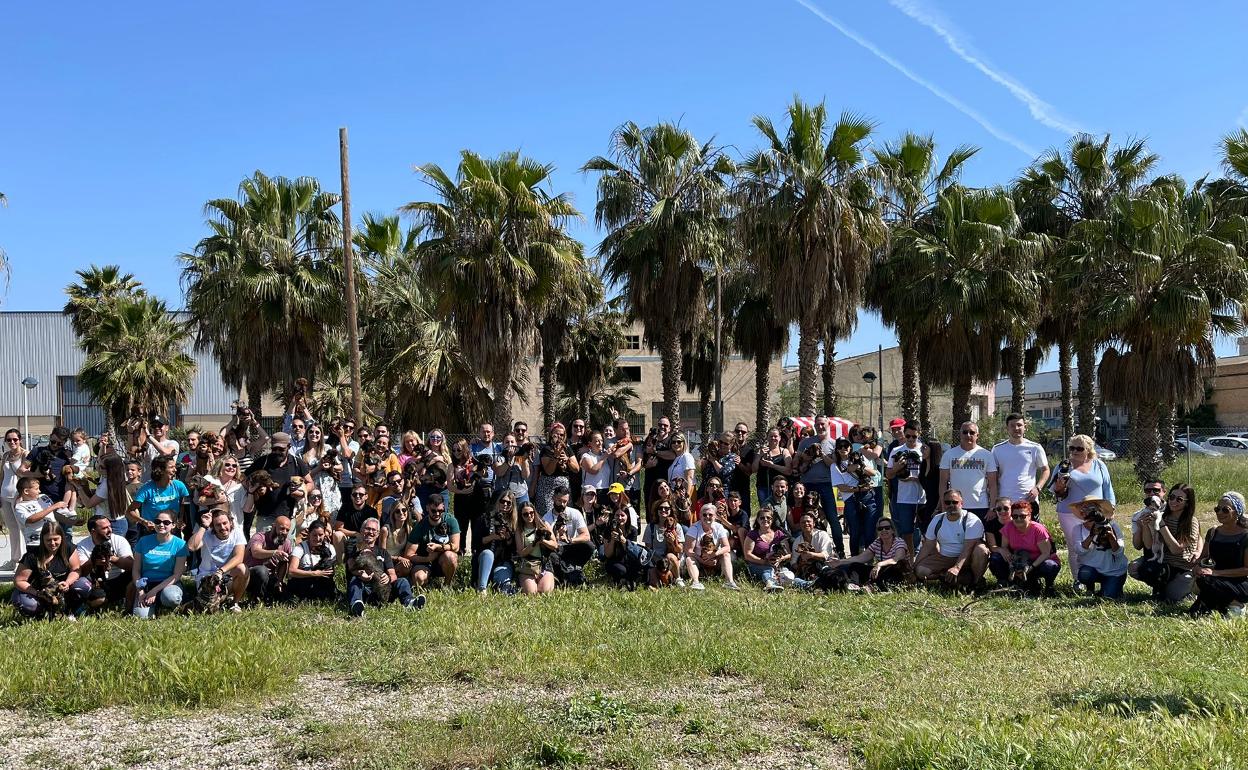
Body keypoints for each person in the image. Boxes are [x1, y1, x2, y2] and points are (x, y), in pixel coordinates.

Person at [1052, 434, 1116, 582]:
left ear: (1088, 450)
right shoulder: (1063, 465)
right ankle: (1078, 580)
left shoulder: (1099, 465)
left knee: (1099, 544)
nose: (1074, 451)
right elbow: (1056, 493)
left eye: (1079, 448)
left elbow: (1108, 488)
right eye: (1072, 448)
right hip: (1069, 513)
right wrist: (1059, 486)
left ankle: (1100, 578)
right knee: (1076, 547)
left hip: (1097, 513)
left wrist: (1111, 508)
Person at [1128, 484, 1200, 603]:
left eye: (1179, 499)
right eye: (1171, 497)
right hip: (1162, 562)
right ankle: (1161, 586)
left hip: (1181, 565)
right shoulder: (1162, 515)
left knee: (1172, 597)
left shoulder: (1190, 521)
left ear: (1187, 503)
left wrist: (1161, 524)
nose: (1173, 501)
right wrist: (1146, 526)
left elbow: (1176, 549)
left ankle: (1187, 588)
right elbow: (1148, 545)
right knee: (1135, 568)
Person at [11, 520, 89, 619]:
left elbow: (76, 570)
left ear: (62, 538)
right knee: (28, 604)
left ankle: (71, 610)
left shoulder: (69, 549)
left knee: (84, 584)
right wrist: (38, 593)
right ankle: (40, 614)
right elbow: (19, 581)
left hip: (61, 590)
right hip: (37, 591)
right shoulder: (32, 555)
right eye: (48, 540)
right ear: (42, 539)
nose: (52, 543)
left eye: (56, 539)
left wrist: (68, 582)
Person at [347, 517, 423, 617]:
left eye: (374, 530)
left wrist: (388, 578)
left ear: (378, 534)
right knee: (354, 581)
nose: (370, 532)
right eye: (367, 528)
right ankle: (356, 606)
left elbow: (393, 574)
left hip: (381, 590)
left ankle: (409, 602)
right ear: (361, 531)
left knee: (402, 581)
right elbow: (350, 567)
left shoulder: (383, 552)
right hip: (364, 589)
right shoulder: (353, 548)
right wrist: (360, 574)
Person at [913, 490, 989, 588]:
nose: (951, 505)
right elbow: (928, 546)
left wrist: (957, 568)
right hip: (944, 557)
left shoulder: (971, 520)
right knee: (921, 571)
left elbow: (968, 548)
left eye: (955, 502)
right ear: (943, 504)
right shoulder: (937, 519)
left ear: (962, 503)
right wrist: (914, 567)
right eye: (947, 502)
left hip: (967, 558)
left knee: (981, 550)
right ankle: (946, 577)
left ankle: (976, 582)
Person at [1188, 492, 1248, 617]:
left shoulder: (1245, 536)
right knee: (1196, 610)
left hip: (1239, 583)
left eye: (1225, 510)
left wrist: (1215, 573)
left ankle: (1236, 604)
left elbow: (1246, 570)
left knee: (1208, 584)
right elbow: (1204, 557)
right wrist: (1198, 566)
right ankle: (1223, 605)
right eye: (1217, 509)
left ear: (1237, 512)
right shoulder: (1213, 532)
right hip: (1215, 579)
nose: (1219, 512)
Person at [792, 417, 845, 557]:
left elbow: (833, 464)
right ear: (814, 425)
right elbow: (796, 461)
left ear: (828, 425)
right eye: (818, 424)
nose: (820, 426)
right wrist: (805, 456)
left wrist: (820, 454)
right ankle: (808, 549)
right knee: (808, 517)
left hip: (826, 484)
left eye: (823, 424)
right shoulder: (805, 442)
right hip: (807, 484)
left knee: (832, 518)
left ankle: (839, 549)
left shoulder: (834, 444)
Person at [244, 432, 311, 538]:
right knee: (264, 547)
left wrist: (301, 491)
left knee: (286, 550)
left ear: (289, 447)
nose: (277, 452)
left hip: (288, 518)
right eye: (274, 449)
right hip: (266, 517)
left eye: (281, 449)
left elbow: (310, 483)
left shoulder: (296, 463)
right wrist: (257, 488)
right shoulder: (263, 461)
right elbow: (244, 479)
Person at [988, 500, 1061, 594]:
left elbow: (1046, 553)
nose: (1018, 519)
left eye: (1022, 516)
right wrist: (1011, 564)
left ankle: (1049, 587)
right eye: (1015, 516)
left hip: (1039, 561)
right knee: (996, 557)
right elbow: (1004, 548)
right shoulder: (1008, 527)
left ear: (1029, 516)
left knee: (1049, 566)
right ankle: (1004, 582)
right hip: (1019, 561)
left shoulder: (1038, 529)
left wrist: (1031, 568)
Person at [825, 517, 911, 591]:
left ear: (892, 530)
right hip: (881, 570)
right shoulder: (877, 542)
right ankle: (853, 585)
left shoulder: (899, 542)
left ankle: (872, 587)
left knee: (890, 570)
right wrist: (840, 562)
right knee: (855, 566)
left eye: (887, 528)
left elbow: (897, 559)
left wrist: (880, 564)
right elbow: (861, 558)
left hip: (897, 573)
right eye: (880, 529)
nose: (884, 530)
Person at [188, 508, 248, 611]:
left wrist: (220, 572)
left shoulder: (237, 532)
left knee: (242, 568)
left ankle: (234, 604)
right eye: (218, 525)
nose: (223, 527)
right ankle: (217, 601)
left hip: (225, 576)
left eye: (225, 523)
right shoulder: (206, 534)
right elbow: (191, 547)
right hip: (207, 579)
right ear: (213, 527)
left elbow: (239, 557)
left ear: (230, 522)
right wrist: (203, 526)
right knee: (207, 607)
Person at [991, 413, 1050, 520]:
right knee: (1006, 535)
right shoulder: (997, 449)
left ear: (1025, 427)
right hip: (1005, 502)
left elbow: (1046, 470)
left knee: (1029, 534)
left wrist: (1038, 488)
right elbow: (993, 477)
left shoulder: (1035, 447)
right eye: (1012, 426)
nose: (1016, 428)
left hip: (1028, 500)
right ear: (1007, 429)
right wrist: (994, 501)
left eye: (1019, 425)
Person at [131, 511, 189, 618]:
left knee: (171, 597)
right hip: (146, 584)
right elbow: (136, 570)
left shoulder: (180, 544)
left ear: (173, 525)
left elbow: (177, 575)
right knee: (141, 616)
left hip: (169, 584)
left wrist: (154, 591)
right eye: (157, 521)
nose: (161, 525)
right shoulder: (143, 541)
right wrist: (140, 591)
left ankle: (167, 606)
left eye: (166, 522)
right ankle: (155, 605)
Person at [1070, 498, 1128, 599]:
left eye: (1091, 508)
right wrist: (1092, 535)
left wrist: (1111, 538)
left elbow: (1119, 553)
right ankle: (1090, 588)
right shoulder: (1077, 528)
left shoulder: (1113, 526)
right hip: (1091, 569)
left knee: (1108, 597)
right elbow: (1079, 550)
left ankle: (1111, 587)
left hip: (1113, 571)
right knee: (1084, 574)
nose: (1087, 511)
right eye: (1084, 508)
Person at [938, 422, 998, 519]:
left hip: (980, 506)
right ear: (960, 434)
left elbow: (993, 484)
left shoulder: (987, 455)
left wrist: (992, 508)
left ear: (977, 435)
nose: (968, 435)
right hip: (955, 505)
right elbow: (942, 483)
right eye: (965, 432)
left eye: (972, 432)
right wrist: (944, 505)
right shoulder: (949, 454)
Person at [75, 514, 134, 611]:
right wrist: (93, 560)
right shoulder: (82, 545)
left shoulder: (119, 540)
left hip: (117, 579)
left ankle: (122, 601)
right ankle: (95, 602)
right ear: (93, 531)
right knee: (82, 586)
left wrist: (110, 558)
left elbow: (131, 565)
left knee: (135, 575)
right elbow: (81, 571)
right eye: (105, 528)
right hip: (96, 582)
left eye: (110, 526)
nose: (110, 530)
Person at [831, 437, 879, 556]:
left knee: (870, 530)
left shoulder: (859, 458)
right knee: (855, 531)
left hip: (867, 496)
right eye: (840, 446)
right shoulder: (835, 466)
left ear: (850, 447)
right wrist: (859, 489)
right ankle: (854, 560)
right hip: (851, 499)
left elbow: (874, 473)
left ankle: (869, 559)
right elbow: (841, 488)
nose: (843, 448)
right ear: (836, 449)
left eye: (845, 446)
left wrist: (859, 467)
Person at [885, 421, 928, 549]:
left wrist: (916, 479)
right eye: (908, 436)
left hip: (922, 498)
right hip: (904, 498)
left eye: (914, 436)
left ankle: (923, 558)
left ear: (919, 434)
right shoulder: (896, 450)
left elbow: (930, 474)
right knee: (906, 532)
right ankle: (910, 560)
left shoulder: (924, 450)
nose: (910, 439)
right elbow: (888, 474)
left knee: (926, 532)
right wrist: (897, 468)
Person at [404, 496, 460, 589]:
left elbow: (456, 547)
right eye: (433, 511)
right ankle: (427, 584)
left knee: (451, 557)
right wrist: (427, 559)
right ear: (427, 508)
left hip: (443, 559)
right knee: (419, 578)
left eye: (440, 510)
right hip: (424, 561)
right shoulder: (420, 526)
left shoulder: (450, 520)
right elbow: (408, 555)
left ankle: (447, 584)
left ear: (443, 508)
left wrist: (438, 547)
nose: (437, 513)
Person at [544, 486, 594, 587]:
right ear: (553, 498)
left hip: (570, 546)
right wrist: (557, 537)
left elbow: (586, 535)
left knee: (589, 546)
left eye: (565, 501)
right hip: (556, 549)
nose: (562, 504)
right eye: (559, 500)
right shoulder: (546, 518)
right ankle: (570, 573)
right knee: (551, 555)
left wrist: (570, 540)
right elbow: (549, 543)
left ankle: (569, 571)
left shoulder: (574, 513)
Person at [683, 503, 739, 590]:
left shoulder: (719, 527)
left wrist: (713, 555)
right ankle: (696, 583)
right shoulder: (694, 528)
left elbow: (727, 547)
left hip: (715, 558)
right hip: (699, 560)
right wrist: (703, 561)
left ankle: (730, 582)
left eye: (710, 514)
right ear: (700, 516)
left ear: (715, 516)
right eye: (704, 515)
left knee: (726, 554)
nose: (707, 517)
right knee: (689, 559)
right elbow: (688, 551)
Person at [244, 516, 294, 602]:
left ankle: (267, 597)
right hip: (251, 575)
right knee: (262, 571)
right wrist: (274, 553)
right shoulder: (260, 537)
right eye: (282, 528)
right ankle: (255, 599)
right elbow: (256, 552)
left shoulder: (287, 543)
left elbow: (284, 563)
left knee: (286, 594)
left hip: (271, 577)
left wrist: (280, 581)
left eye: (287, 530)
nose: (284, 532)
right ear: (273, 526)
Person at [476, 491, 517, 594]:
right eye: (503, 501)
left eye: (509, 503)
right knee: (488, 553)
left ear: (512, 506)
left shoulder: (514, 524)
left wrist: (508, 538)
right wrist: (493, 537)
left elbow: (515, 550)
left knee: (504, 588)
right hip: (484, 558)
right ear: (498, 502)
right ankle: (482, 589)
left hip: (502, 562)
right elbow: (476, 542)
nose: (505, 505)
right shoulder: (485, 518)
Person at [287, 520, 337, 602]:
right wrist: (314, 573)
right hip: (302, 582)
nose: (317, 538)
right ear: (309, 534)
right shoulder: (300, 548)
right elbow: (291, 571)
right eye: (314, 535)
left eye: (320, 535)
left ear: (325, 534)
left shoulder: (330, 548)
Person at [536, 422, 578, 517]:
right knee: (547, 514)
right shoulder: (546, 449)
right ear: (551, 434)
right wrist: (555, 457)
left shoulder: (567, 449)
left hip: (563, 486)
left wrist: (567, 460)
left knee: (564, 514)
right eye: (556, 434)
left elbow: (576, 469)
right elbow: (549, 471)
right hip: (548, 487)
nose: (559, 437)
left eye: (562, 435)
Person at [514, 500, 557, 594]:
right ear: (521, 516)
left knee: (544, 591)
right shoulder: (519, 530)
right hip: (528, 564)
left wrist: (543, 541)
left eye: (531, 513)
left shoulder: (544, 525)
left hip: (544, 563)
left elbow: (555, 545)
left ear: (534, 512)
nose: (529, 516)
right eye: (525, 514)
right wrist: (534, 543)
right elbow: (521, 552)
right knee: (531, 593)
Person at [14, 476, 67, 549]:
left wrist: (71, 521)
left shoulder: (43, 497)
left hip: (52, 540)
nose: (39, 491)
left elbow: (53, 514)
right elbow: (30, 519)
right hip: (36, 543)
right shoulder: (20, 507)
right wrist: (53, 507)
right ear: (26, 491)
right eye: (36, 489)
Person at [742, 507, 788, 591]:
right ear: (758, 520)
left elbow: (789, 553)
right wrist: (765, 562)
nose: (765, 519)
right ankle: (770, 585)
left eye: (768, 518)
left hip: (777, 565)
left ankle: (806, 584)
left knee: (787, 574)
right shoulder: (753, 534)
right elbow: (747, 555)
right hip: (756, 565)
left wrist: (781, 559)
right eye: (762, 518)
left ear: (772, 520)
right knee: (768, 570)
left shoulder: (779, 534)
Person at [643, 501, 685, 589]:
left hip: (672, 560)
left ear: (671, 511)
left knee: (669, 556)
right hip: (656, 559)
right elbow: (648, 548)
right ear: (656, 511)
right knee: (655, 584)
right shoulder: (650, 527)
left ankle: (678, 579)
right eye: (660, 508)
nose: (663, 510)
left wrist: (673, 543)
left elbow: (680, 550)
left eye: (667, 508)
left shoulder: (677, 527)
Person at [600, 507, 645, 589]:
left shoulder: (632, 530)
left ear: (627, 516)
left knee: (639, 568)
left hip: (628, 558)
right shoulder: (608, 530)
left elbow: (633, 551)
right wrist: (613, 540)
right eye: (617, 515)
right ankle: (623, 581)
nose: (620, 518)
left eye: (622, 515)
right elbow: (607, 554)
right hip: (614, 559)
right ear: (613, 516)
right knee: (621, 570)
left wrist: (623, 540)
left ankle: (628, 581)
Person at [1, 428, 27, 567]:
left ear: (19, 440)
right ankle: (14, 559)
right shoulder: (5, 455)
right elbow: (2, 475)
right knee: (12, 529)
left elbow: (28, 476)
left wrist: (24, 494)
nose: (12, 442)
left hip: (19, 496)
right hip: (5, 495)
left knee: (23, 528)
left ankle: (27, 560)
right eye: (9, 440)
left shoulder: (25, 454)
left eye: (15, 439)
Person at [753, 427, 792, 508]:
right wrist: (758, 457)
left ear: (780, 438)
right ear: (767, 437)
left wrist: (772, 465)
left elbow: (788, 471)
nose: (773, 438)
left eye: (775, 436)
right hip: (764, 486)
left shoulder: (784, 451)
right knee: (765, 510)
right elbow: (754, 470)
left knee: (780, 509)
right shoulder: (761, 451)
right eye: (771, 436)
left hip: (780, 487)